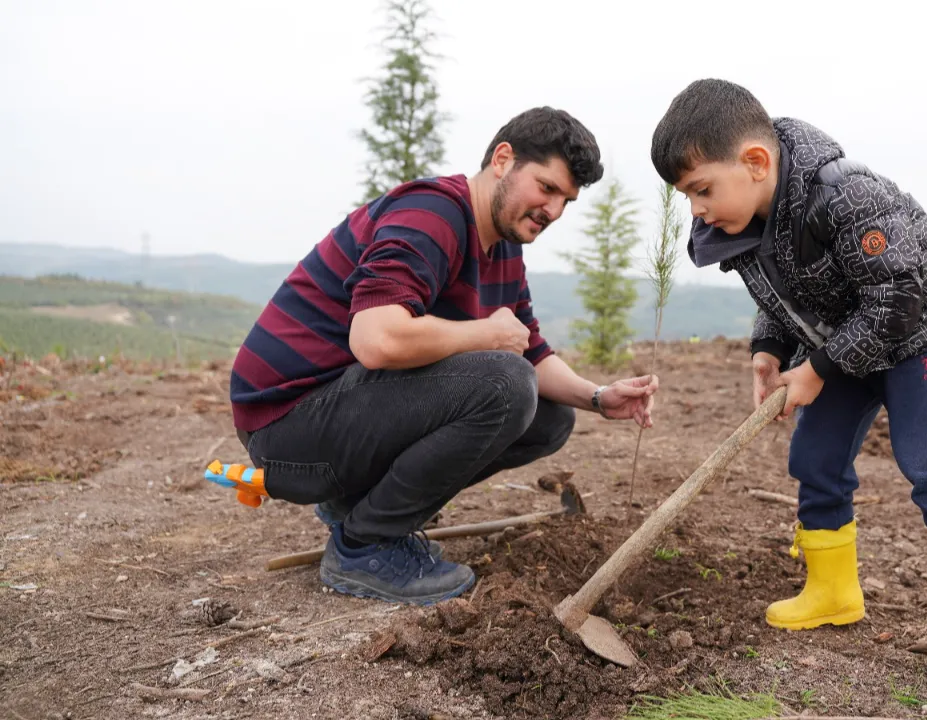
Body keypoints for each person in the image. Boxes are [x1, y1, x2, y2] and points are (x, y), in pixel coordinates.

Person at [650, 79, 927, 700]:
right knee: (815, 457)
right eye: (687, 195)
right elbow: (782, 295)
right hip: (847, 337)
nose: (696, 209)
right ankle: (833, 590)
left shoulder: (845, 194)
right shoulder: (749, 217)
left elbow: (897, 296)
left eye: (701, 189)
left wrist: (816, 370)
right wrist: (769, 350)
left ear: (756, 162)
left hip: (917, 329)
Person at [225, 107, 660, 606]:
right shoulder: (431, 214)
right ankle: (365, 546)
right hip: (286, 426)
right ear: (503, 160)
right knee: (506, 384)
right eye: (547, 187)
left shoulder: (503, 245)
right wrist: (485, 334)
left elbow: (531, 351)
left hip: (339, 417)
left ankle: (355, 506)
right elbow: (376, 340)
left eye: (567, 200)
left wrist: (599, 397)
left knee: (550, 415)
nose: (554, 211)